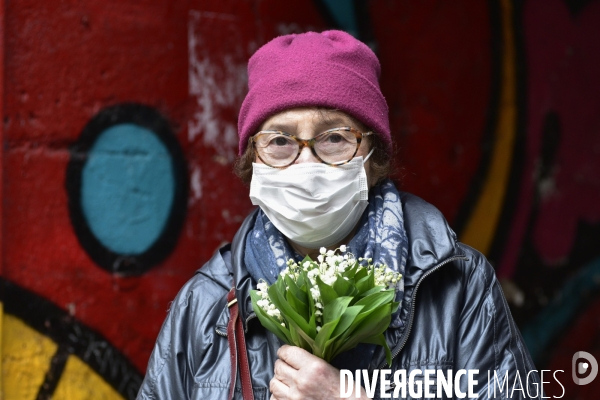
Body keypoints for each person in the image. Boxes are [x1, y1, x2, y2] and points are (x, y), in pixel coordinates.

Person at [137, 30, 542, 399]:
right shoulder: (206, 304)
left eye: (334, 137)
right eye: (279, 140)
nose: (305, 163)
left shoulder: (456, 285)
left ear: (372, 157)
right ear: (252, 162)